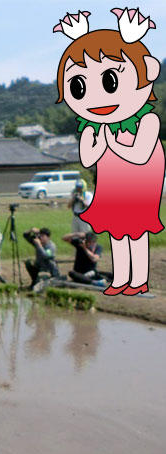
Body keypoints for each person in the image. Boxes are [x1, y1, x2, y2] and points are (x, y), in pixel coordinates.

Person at [54, 13, 163, 297]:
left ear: (148, 72)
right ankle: (121, 279)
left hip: (138, 188)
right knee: (117, 234)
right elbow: (89, 159)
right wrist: (94, 138)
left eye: (110, 82)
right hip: (113, 189)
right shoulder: (96, 127)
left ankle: (137, 280)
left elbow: (140, 155)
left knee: (136, 234)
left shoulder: (147, 121)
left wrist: (111, 144)